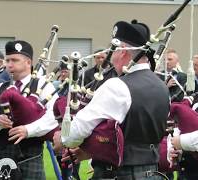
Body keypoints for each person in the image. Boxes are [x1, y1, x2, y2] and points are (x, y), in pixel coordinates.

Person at [53, 20, 170, 180]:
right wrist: (92, 151)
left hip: (118, 174)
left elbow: (74, 134)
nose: (111, 58)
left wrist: (62, 137)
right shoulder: (161, 87)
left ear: (122, 51)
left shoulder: (117, 86)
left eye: (113, 50)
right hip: (152, 173)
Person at [0, 40, 59, 180]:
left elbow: (54, 117)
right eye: (7, 60)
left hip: (30, 158)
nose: (9, 64)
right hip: (0, 160)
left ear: (28, 62)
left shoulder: (45, 86)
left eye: (14, 60)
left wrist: (29, 130)